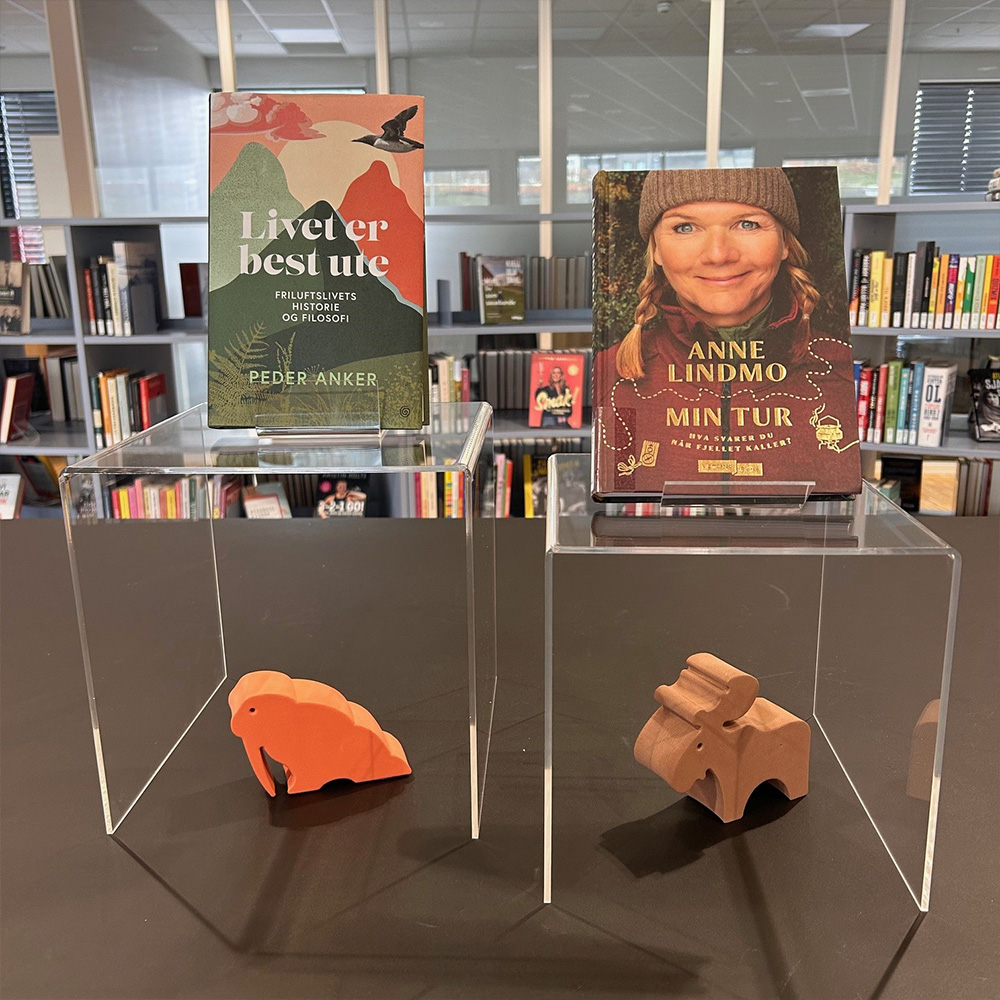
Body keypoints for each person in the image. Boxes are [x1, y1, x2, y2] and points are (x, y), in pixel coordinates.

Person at [592, 167, 860, 499]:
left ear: (784, 244)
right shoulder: (611, 375)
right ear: (657, 250)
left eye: (747, 224)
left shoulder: (838, 372)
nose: (718, 255)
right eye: (685, 227)